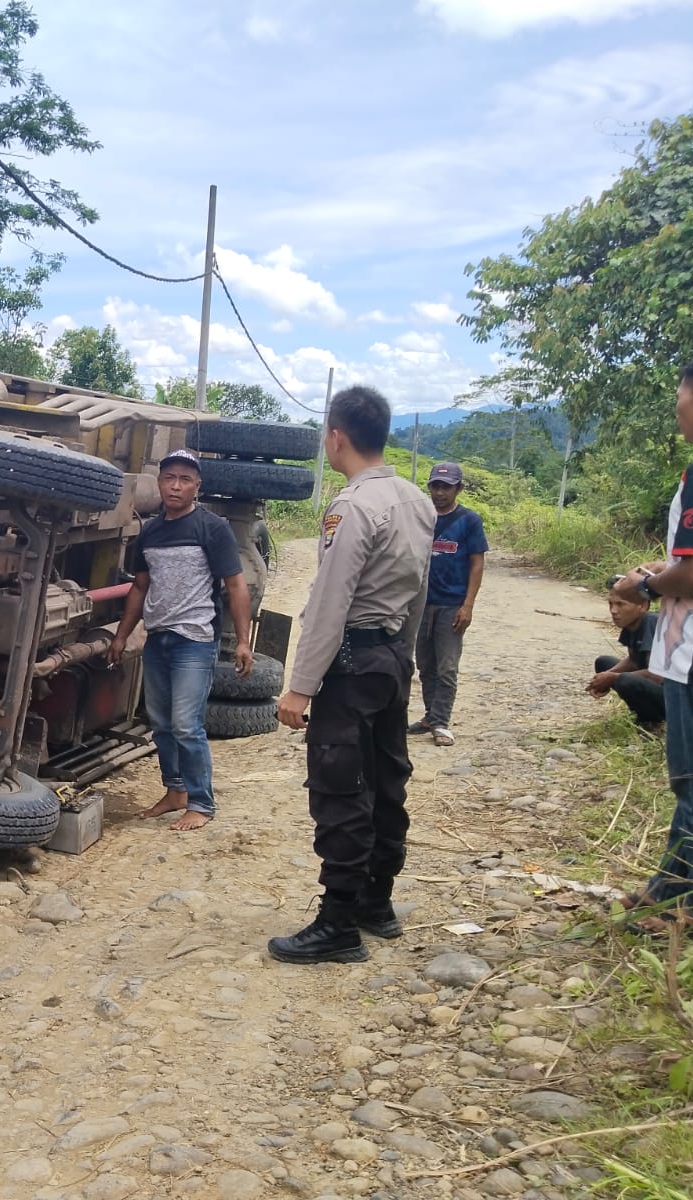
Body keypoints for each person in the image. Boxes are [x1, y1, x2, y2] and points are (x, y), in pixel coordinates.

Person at [269, 387, 436, 964]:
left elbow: (329, 603)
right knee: (387, 778)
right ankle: (376, 902)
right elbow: (418, 591)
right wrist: (404, 658)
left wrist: (300, 686)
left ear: (336, 437)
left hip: (350, 662)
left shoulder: (353, 507)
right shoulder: (417, 501)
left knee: (341, 786)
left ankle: (338, 923)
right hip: (390, 658)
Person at [107, 449, 252, 831]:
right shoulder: (150, 531)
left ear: (197, 486)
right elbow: (140, 587)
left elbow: (236, 586)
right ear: (159, 482)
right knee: (160, 723)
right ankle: (175, 792)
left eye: (185, 479)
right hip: (158, 639)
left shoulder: (211, 529)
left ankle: (201, 803)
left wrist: (242, 641)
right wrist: (122, 636)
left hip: (195, 639)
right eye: (169, 477)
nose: (175, 485)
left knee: (187, 724)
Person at [610, 353, 693, 935]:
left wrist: (645, 583)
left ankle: (690, 911)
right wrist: (667, 567)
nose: (677, 407)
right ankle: (669, 885)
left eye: (680, 395)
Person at [410, 463, 487, 747]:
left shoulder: (469, 521)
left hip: (451, 604)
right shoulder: (421, 517)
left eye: (447, 487)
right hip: (420, 604)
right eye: (435, 486)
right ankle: (431, 715)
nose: (440, 492)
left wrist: (468, 605)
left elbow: (477, 564)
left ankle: (441, 721)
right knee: (425, 664)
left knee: (447, 666)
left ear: (459, 488)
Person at [588, 575, 664, 726]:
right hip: (650, 683)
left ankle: (650, 720)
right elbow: (634, 660)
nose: (613, 611)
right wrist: (604, 677)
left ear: (643, 605)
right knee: (604, 663)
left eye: (620, 604)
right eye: (611, 604)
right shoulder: (631, 623)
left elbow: (657, 675)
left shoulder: (651, 623)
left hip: (673, 696)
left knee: (624, 680)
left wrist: (613, 678)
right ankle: (641, 711)